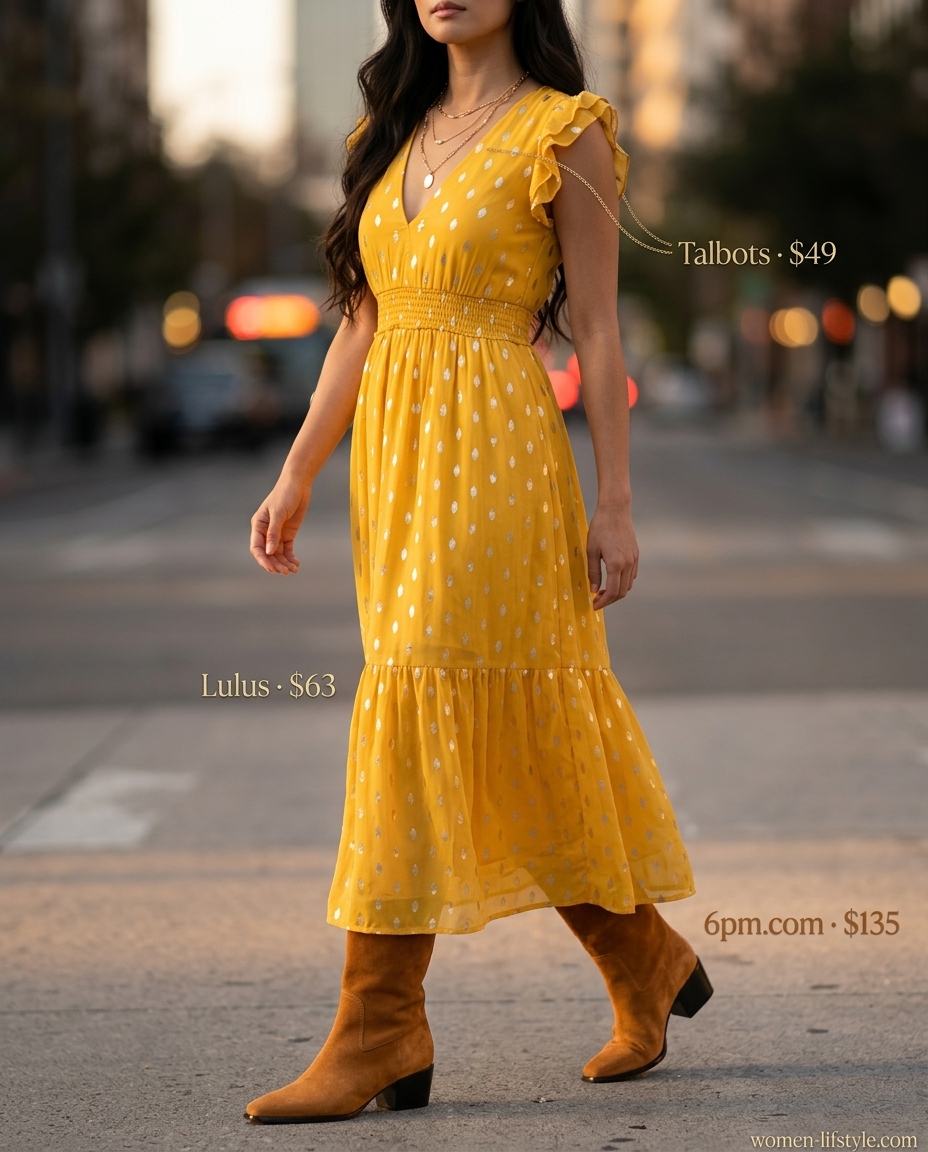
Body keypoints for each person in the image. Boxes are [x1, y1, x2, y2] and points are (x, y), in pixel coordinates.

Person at [244, 0, 711, 1125]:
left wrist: (616, 506)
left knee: (416, 688)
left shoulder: (567, 129)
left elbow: (598, 330)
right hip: (395, 467)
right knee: (486, 726)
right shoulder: (387, 133)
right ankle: (644, 961)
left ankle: (378, 1026)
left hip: (497, 454)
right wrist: (298, 471)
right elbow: (359, 322)